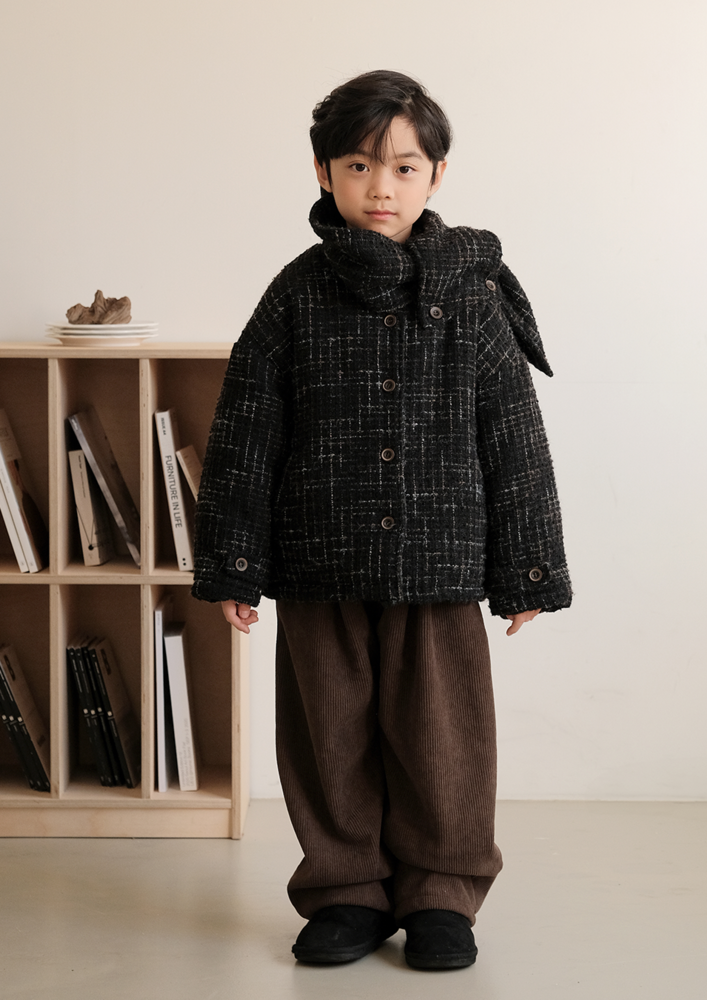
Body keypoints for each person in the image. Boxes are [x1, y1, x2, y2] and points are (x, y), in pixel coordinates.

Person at [191, 69, 571, 971]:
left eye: (403, 167)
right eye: (359, 166)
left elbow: (513, 435)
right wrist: (235, 563)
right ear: (323, 172)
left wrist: (527, 569)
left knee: (444, 740)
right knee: (328, 736)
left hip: (440, 564)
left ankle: (442, 893)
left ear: (437, 175)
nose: (380, 188)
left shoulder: (470, 296)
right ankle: (345, 890)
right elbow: (247, 429)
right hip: (318, 559)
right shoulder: (295, 295)